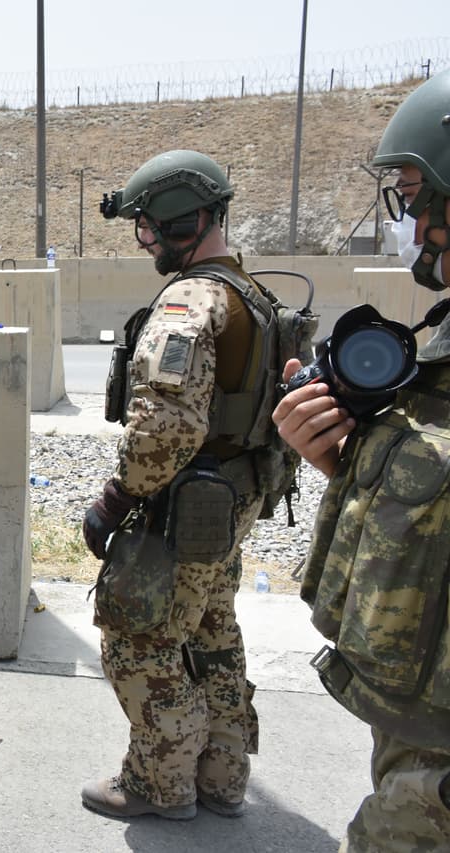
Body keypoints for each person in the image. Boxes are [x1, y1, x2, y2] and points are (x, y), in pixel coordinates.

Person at [82, 150, 294, 821]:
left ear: (186, 220)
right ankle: (222, 777)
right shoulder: (252, 294)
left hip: (183, 509)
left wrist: (115, 499)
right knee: (211, 633)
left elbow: (165, 427)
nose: (146, 240)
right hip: (231, 504)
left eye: (150, 226)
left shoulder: (191, 300)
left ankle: (160, 782)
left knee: (138, 638)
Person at [273, 71, 450, 851]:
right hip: (417, 726)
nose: (408, 221)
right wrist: (343, 460)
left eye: (413, 195)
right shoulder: (439, 348)